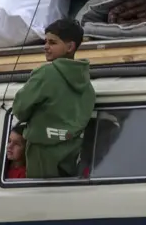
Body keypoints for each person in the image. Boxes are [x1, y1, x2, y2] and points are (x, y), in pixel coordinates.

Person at [12, 18, 96, 178]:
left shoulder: (45, 74)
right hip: (72, 155)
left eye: (52, 42)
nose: (45, 46)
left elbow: (19, 110)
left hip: (42, 154)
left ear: (70, 47)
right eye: (45, 42)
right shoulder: (86, 83)